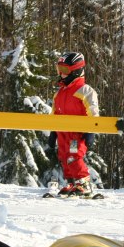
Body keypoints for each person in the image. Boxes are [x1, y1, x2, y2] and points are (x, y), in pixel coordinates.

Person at [47, 52, 99, 197]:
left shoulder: (85, 90)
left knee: (73, 156)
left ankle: (84, 184)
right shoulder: (60, 93)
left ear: (76, 70)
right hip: (63, 134)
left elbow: (93, 112)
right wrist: (53, 132)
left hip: (77, 134)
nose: (61, 74)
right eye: (59, 70)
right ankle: (72, 183)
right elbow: (54, 114)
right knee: (63, 157)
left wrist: (90, 131)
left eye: (64, 70)